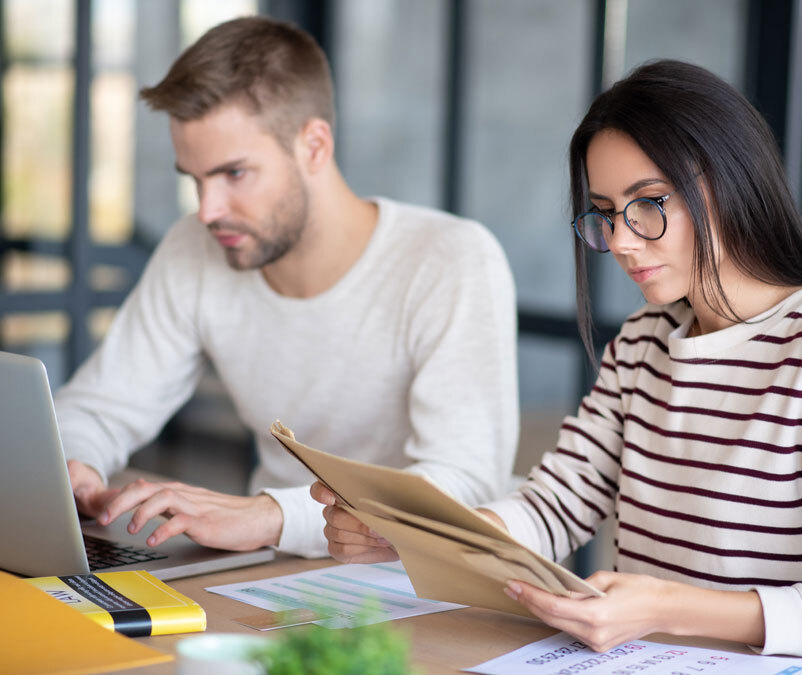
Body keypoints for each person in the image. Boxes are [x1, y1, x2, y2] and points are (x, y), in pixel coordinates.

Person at [314, 59, 802, 661]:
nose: (620, 241)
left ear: (729, 181)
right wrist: (418, 537)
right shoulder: (645, 341)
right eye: (605, 212)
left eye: (647, 203)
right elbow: (554, 507)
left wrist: (667, 607)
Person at [57, 16, 518, 558]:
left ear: (314, 145)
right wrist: (75, 468)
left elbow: (465, 485)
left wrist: (271, 515)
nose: (207, 211)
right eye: (195, 179)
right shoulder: (196, 249)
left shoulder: (450, 259)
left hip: (421, 579)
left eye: (233, 174)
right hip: (272, 572)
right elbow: (99, 408)